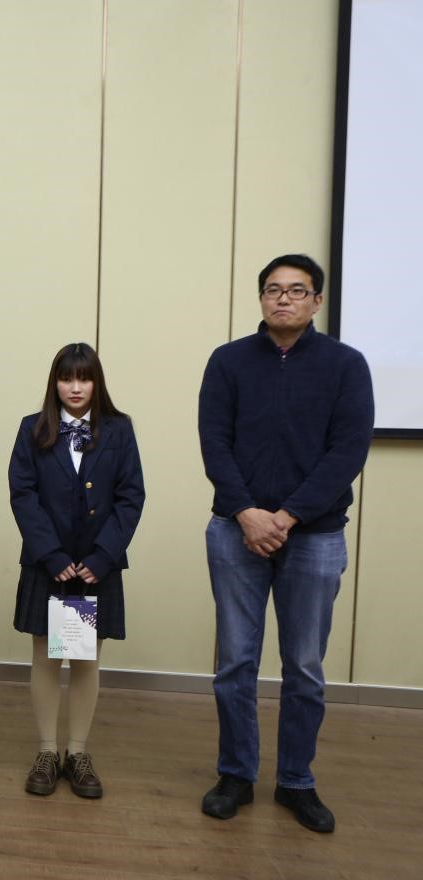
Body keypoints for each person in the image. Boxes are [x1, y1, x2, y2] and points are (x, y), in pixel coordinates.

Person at [198, 254, 373, 833]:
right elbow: (214, 442)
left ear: (317, 301)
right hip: (236, 530)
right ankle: (236, 774)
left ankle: (296, 780)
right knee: (235, 663)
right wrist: (247, 513)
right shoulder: (228, 361)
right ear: (261, 299)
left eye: (297, 291)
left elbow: (348, 450)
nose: (284, 299)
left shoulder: (346, 365)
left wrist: (288, 516)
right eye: (273, 290)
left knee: (303, 666)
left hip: (315, 536)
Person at [9, 342, 144, 799]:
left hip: (96, 569)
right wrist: (52, 555)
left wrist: (102, 557)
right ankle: (48, 751)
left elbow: (131, 496)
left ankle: (78, 752)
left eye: (84, 378)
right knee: (46, 658)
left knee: (87, 658)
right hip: (47, 565)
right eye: (66, 378)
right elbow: (22, 495)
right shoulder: (32, 428)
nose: (75, 387)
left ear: (95, 382)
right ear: (55, 383)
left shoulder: (120, 430)